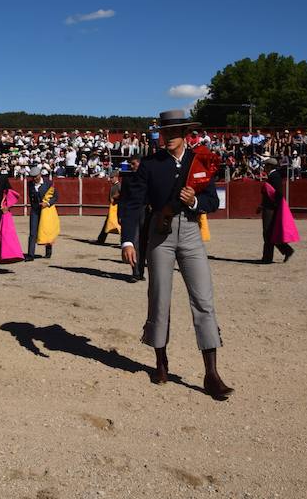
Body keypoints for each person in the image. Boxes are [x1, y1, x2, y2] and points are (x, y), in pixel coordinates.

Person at [120, 109, 234, 400]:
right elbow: (132, 203)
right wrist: (128, 241)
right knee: (159, 298)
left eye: (173, 132)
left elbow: (212, 201)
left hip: (191, 232)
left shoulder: (200, 161)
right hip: (161, 234)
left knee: (203, 299)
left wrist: (194, 201)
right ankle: (161, 362)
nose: (167, 137)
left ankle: (211, 373)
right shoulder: (150, 164)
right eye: (164, 132)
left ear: (185, 134)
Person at [260, 157, 294, 263]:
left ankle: (268, 257)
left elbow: (278, 194)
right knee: (271, 233)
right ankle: (286, 250)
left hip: (271, 209)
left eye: (266, 165)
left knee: (268, 232)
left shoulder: (274, 176)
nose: (264, 167)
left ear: (270, 166)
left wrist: (275, 206)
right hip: (269, 207)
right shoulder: (273, 176)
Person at [26, 166, 57, 261]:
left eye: (36, 176)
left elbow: (55, 196)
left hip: (46, 210)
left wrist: (47, 203)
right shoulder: (30, 184)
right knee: (33, 232)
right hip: (35, 210)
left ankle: (48, 251)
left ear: (40, 174)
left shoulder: (48, 183)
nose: (35, 178)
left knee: (47, 230)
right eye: (33, 177)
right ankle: (30, 255)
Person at [96, 172, 121, 244]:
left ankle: (123, 241)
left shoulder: (119, 185)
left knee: (119, 224)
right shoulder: (114, 185)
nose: (110, 179)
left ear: (116, 177)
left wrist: (115, 197)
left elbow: (123, 194)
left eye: (112, 178)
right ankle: (101, 240)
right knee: (107, 223)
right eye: (110, 178)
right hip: (113, 207)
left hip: (117, 207)